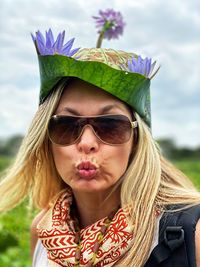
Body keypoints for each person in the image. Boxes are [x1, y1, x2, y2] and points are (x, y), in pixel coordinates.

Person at [0, 29, 200, 267]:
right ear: (46, 140)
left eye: (110, 125)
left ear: (136, 141)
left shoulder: (190, 234)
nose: (86, 143)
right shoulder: (44, 233)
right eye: (65, 125)